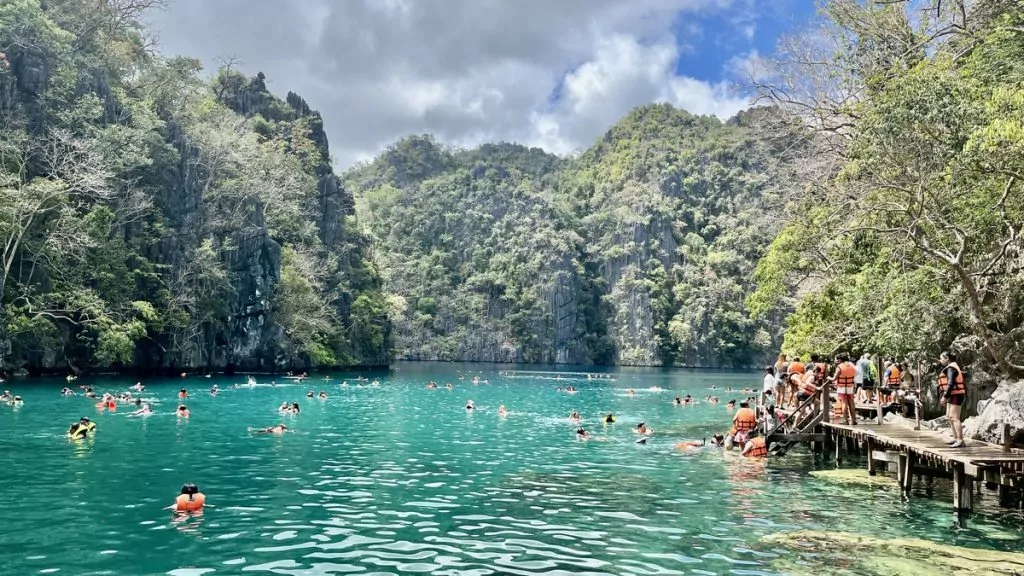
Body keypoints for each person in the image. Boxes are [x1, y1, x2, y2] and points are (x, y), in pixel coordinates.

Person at [938, 352, 967, 447]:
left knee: (954, 418)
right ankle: (955, 438)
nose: (940, 360)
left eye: (941, 358)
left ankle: (960, 440)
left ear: (947, 358)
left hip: (956, 395)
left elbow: (950, 384)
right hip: (953, 395)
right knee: (949, 417)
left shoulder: (951, 368)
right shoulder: (950, 367)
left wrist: (944, 396)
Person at [832, 354, 857, 425]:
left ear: (840, 360)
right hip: (850, 386)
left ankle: (845, 420)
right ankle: (853, 420)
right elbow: (856, 373)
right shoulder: (851, 365)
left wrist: (828, 378)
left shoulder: (839, 367)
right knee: (851, 403)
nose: (836, 361)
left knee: (844, 403)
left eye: (837, 359)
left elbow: (834, 378)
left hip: (842, 387)